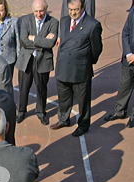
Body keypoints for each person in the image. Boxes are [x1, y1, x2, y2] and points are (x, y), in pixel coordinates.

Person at [51, 0, 102, 137]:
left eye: (76, 10)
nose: (73, 12)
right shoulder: (64, 21)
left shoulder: (92, 25)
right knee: (63, 97)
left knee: (83, 100)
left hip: (80, 70)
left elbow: (96, 49)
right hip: (63, 67)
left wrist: (86, 62)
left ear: (83, 7)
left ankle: (83, 124)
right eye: (70, 9)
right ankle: (63, 119)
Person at [15, 0, 58, 125]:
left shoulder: (53, 22)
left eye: (41, 11)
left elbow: (51, 43)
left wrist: (33, 38)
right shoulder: (25, 20)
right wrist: (42, 41)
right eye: (36, 11)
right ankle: (21, 111)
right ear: (33, 10)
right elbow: (23, 40)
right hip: (26, 60)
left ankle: (41, 112)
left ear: (46, 9)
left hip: (43, 60)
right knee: (23, 87)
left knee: (41, 88)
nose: (39, 14)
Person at [104, 7, 134, 128]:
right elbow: (126, 32)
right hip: (129, 58)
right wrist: (128, 53)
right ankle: (119, 112)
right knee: (124, 86)